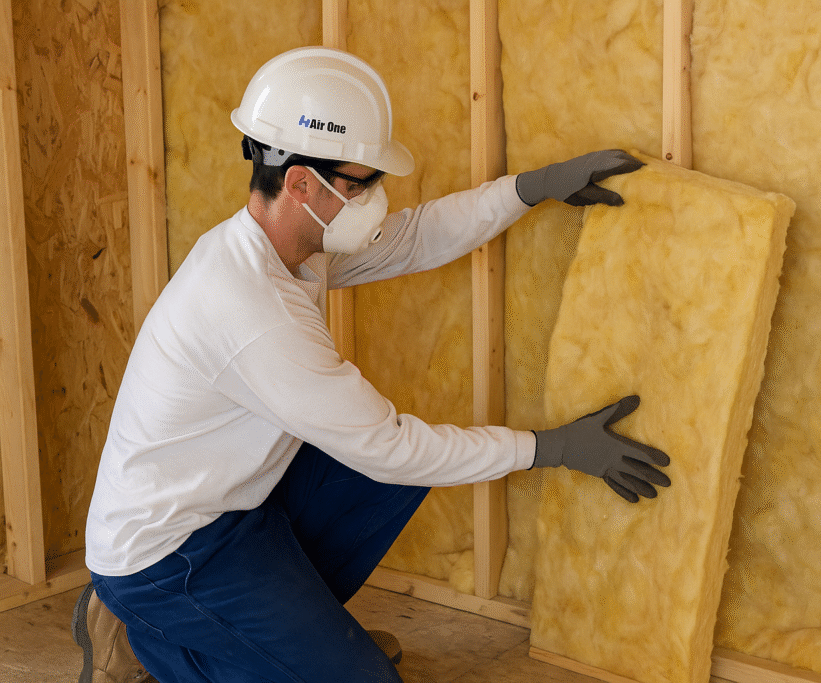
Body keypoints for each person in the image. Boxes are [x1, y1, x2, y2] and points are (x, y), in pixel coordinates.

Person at [74, 47, 670, 683]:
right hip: (168, 557)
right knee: (389, 492)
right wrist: (547, 448)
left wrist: (527, 190)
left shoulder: (294, 246)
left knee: (381, 471)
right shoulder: (252, 307)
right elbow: (391, 449)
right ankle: (153, 638)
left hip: (230, 508)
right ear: (301, 182)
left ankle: (271, 639)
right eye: (359, 184)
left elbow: (413, 239)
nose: (374, 199)